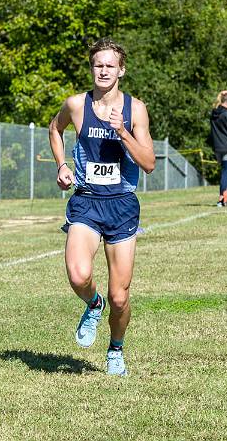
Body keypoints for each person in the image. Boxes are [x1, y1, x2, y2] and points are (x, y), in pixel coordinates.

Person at [48, 37, 155, 376]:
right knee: (79, 275)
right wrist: (62, 165)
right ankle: (94, 305)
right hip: (86, 202)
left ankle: (115, 351)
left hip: (122, 205)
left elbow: (149, 163)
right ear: (91, 68)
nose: (104, 70)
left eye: (110, 65)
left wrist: (123, 132)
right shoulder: (76, 105)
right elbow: (55, 128)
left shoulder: (135, 110)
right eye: (98, 65)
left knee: (120, 297)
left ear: (121, 70)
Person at [209, 91, 227, 207]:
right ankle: (223, 196)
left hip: (218, 148)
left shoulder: (214, 113)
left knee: (226, 171)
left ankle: (224, 196)